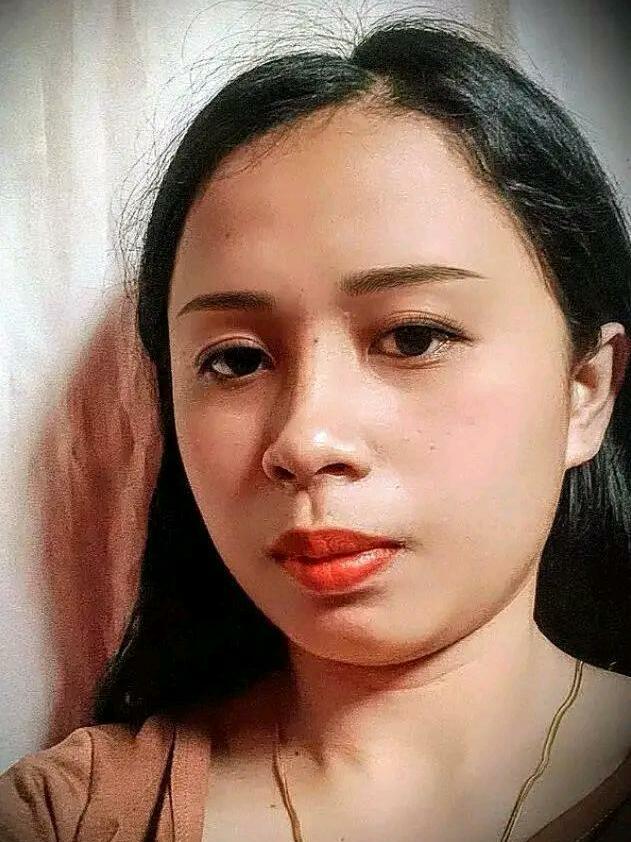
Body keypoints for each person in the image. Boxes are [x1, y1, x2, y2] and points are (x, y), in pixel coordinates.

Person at [2, 14, 631, 842]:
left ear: (585, 390)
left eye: (413, 337)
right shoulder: (71, 816)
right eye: (235, 360)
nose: (305, 440)